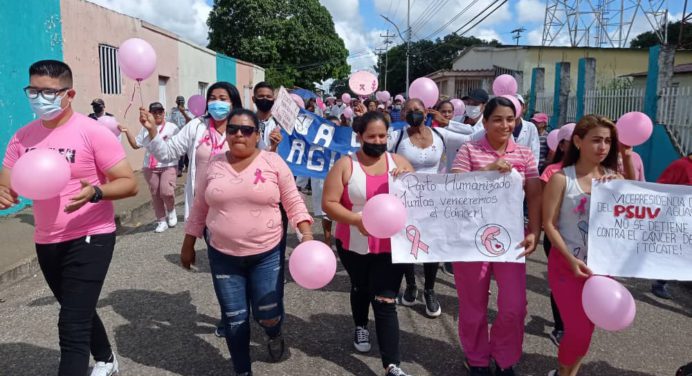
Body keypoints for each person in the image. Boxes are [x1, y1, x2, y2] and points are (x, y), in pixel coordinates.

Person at [0, 60, 138, 376]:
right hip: (47, 238)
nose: (38, 97)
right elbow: (5, 183)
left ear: (69, 93)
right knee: (77, 307)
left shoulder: (92, 133)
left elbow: (128, 182)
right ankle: (106, 358)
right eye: (32, 90)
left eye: (48, 92)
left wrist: (97, 192)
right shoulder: (22, 138)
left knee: (71, 322)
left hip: (92, 233)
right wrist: (4, 195)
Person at [182, 108, 314, 376]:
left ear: (257, 135)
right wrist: (188, 242)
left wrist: (307, 235)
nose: (239, 134)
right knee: (235, 318)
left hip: (267, 253)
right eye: (232, 129)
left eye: (246, 130)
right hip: (222, 254)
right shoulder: (213, 165)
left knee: (268, 313)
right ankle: (242, 370)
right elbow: (199, 206)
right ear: (227, 134)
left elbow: (292, 200)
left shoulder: (273, 163)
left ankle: (273, 332)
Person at [450, 96, 542, 376]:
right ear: (485, 122)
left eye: (510, 119)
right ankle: (476, 358)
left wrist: (535, 232)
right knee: (473, 306)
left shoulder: (524, 154)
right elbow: (453, 187)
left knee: (514, 306)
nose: (505, 125)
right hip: (470, 239)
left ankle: (504, 357)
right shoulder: (469, 150)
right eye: (498, 119)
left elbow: (535, 196)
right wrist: (488, 171)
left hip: (510, 240)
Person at [322, 111, 415, 376]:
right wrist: (354, 220)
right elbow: (328, 202)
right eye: (371, 136)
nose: (377, 140)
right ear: (359, 136)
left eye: (382, 135)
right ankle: (361, 325)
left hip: (391, 246)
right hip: (354, 242)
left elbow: (419, 199)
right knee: (361, 287)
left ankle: (392, 365)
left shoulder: (399, 163)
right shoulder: (345, 165)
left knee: (386, 299)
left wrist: (405, 180)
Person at [542, 115, 622, 376]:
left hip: (600, 271)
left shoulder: (614, 179)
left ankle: (567, 372)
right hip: (567, 267)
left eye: (608, 141)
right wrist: (570, 259)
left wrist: (620, 188)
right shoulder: (561, 179)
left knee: (586, 332)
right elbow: (549, 225)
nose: (603, 147)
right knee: (576, 331)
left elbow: (629, 222)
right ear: (577, 141)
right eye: (596, 140)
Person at [389, 98, 475, 318]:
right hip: (405, 200)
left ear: (426, 112)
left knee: (432, 245)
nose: (414, 114)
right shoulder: (396, 137)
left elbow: (475, 135)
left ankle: (429, 289)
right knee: (407, 242)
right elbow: (375, 152)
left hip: (434, 201)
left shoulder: (440, 135)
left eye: (418, 110)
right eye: (409, 111)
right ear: (402, 115)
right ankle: (410, 286)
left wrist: (447, 122)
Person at [143, 81, 242, 221]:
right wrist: (152, 129)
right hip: (205, 204)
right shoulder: (197, 126)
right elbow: (167, 153)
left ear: (233, 103)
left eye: (222, 99)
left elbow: (259, 159)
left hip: (237, 203)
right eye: (212, 99)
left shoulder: (244, 127)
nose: (216, 103)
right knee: (212, 240)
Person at [120, 102, 180, 233]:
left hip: (168, 164)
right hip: (150, 166)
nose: (158, 114)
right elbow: (136, 145)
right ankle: (161, 221)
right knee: (156, 195)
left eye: (160, 111)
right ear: (150, 114)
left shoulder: (172, 127)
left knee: (166, 192)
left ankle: (171, 209)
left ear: (164, 113)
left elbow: (179, 145)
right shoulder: (145, 128)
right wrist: (127, 131)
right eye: (154, 112)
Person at [650, 153, 692, 299]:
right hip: (677, 220)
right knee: (674, 252)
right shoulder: (680, 165)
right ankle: (660, 283)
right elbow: (661, 186)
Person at [169, 95, 194, 177]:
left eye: (182, 101)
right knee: (180, 152)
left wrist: (183, 112)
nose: (180, 102)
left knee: (186, 152)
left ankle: (186, 166)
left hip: (186, 133)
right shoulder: (173, 111)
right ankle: (179, 169)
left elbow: (190, 120)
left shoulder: (188, 111)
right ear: (176, 102)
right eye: (179, 101)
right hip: (177, 134)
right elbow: (169, 121)